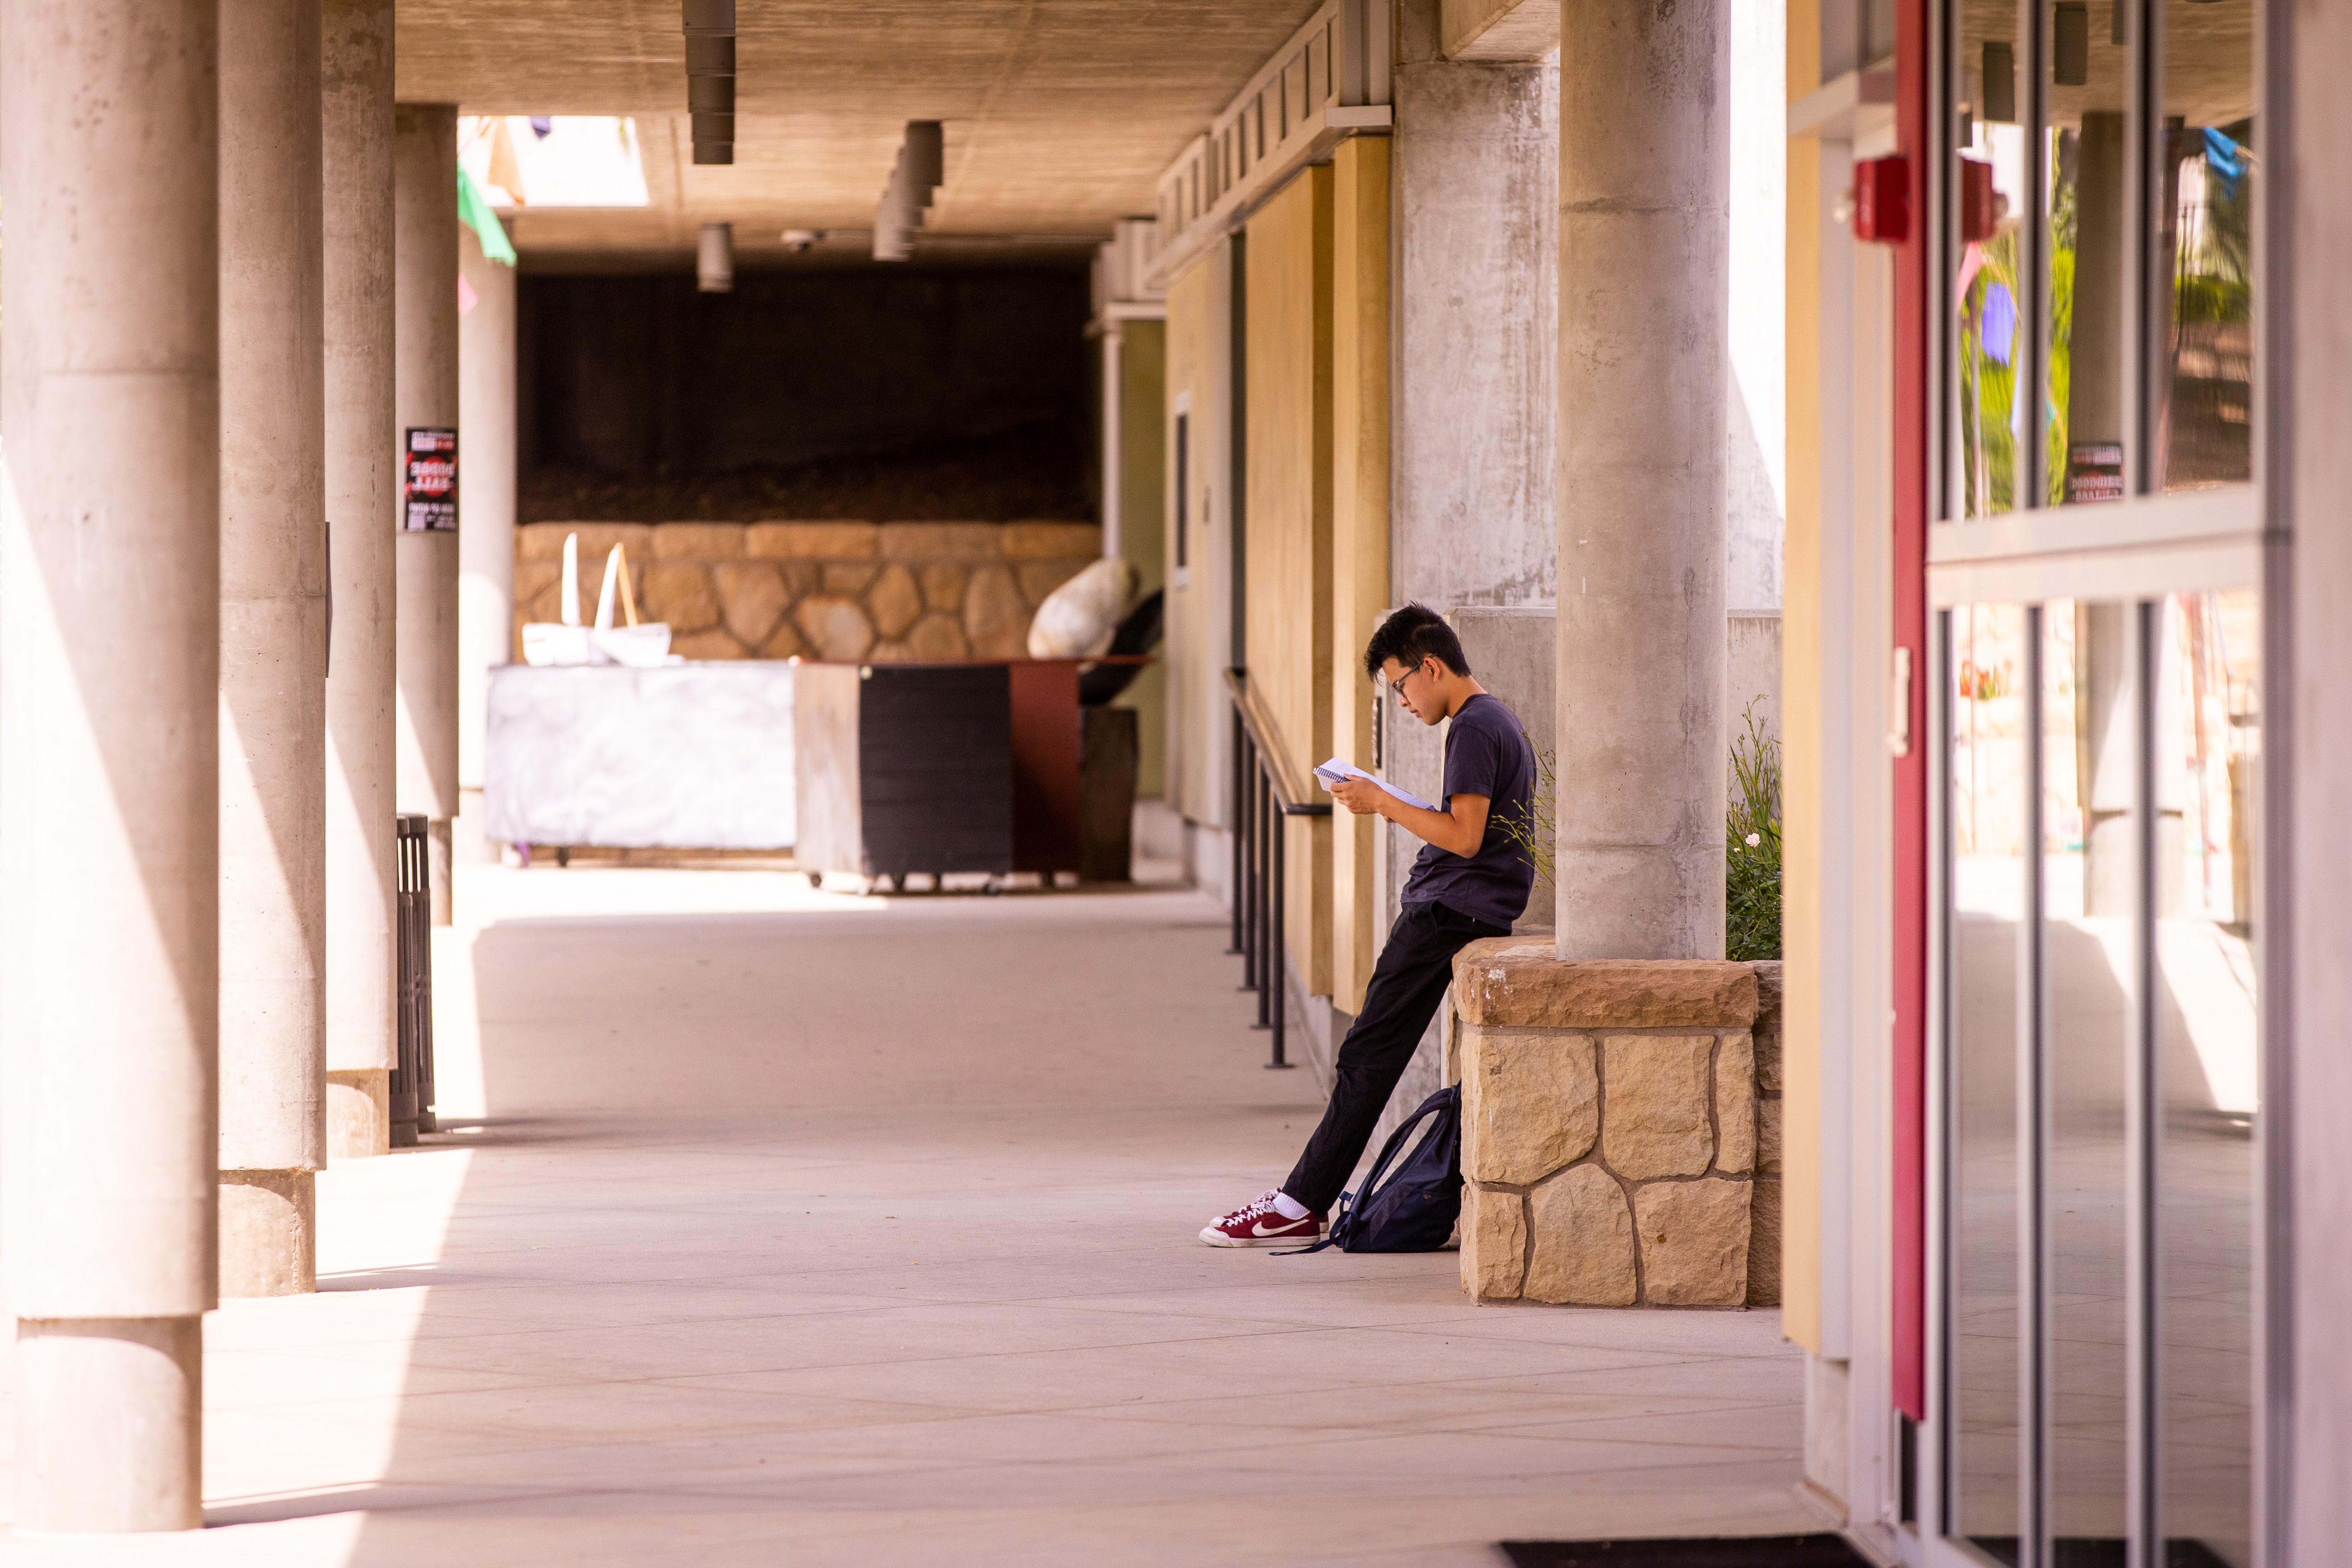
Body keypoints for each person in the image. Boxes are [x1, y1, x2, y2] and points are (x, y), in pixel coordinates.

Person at [1202, 603, 1536, 1247]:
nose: (1403, 702)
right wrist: (1390, 801)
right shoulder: (1493, 721)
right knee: (1369, 1053)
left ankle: (1299, 1202)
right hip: (1462, 906)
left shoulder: (1472, 728)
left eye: (1401, 685)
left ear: (1430, 667)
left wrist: (1380, 800)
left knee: (1366, 1056)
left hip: (1449, 912)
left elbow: (1465, 839)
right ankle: (1308, 1196)